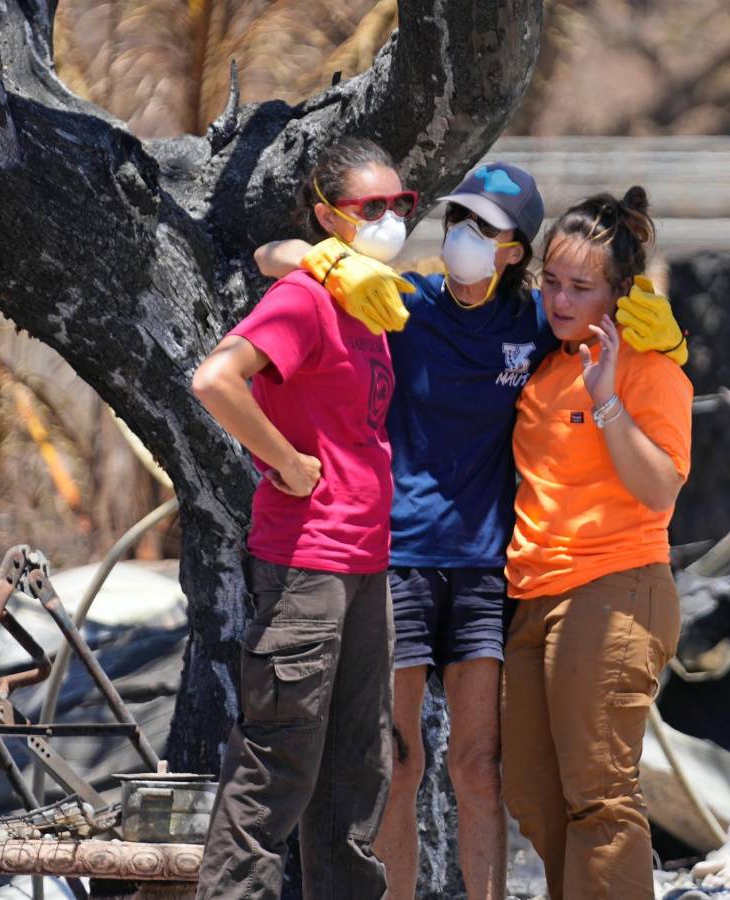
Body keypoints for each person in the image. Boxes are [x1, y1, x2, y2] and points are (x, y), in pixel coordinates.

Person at [255, 164, 687, 899]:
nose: (465, 238)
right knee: (404, 763)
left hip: (501, 572)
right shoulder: (406, 304)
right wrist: (327, 258)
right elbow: (270, 257)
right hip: (413, 561)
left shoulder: (545, 327)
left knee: (490, 770)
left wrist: (661, 342)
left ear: (514, 249)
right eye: (459, 220)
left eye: (487, 229)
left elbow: (643, 426)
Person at [191, 137, 414, 900]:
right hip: (306, 564)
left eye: (402, 204)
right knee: (279, 766)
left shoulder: (368, 301)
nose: (392, 219)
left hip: (364, 563)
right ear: (328, 217)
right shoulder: (308, 299)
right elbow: (217, 380)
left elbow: (272, 252)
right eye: (372, 207)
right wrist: (284, 462)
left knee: (357, 770)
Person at [501, 187, 693, 900]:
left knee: (599, 795)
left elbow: (661, 491)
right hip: (533, 594)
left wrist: (608, 397)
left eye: (581, 287)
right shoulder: (545, 367)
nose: (559, 299)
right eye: (550, 281)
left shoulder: (652, 368)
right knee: (533, 793)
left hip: (615, 588)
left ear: (620, 293)